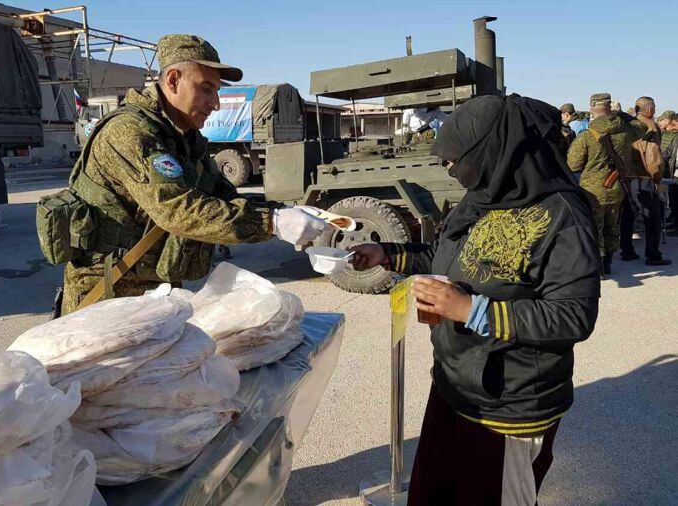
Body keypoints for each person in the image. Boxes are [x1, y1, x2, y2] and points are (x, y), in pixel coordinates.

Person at [350, 95, 600, 505]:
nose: (448, 168)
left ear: (493, 152)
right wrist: (390, 254)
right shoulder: (484, 195)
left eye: (455, 159)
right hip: (455, 388)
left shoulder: (563, 216)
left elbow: (574, 316)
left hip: (509, 409)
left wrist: (469, 309)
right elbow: (448, 258)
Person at [59, 34, 327, 314]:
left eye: (217, 91)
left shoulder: (184, 139)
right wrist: (271, 222)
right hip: (107, 296)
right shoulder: (129, 132)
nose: (216, 103)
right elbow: (177, 209)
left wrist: (285, 212)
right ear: (173, 80)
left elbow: (222, 194)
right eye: (207, 89)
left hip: (153, 293)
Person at [567, 93, 634, 275]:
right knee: (612, 226)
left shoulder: (588, 135)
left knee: (594, 227)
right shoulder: (626, 132)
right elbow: (640, 131)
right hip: (617, 187)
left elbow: (573, 164)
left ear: (591, 108)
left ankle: (598, 266)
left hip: (593, 191)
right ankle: (608, 264)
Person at [620, 97, 671, 265]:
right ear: (650, 109)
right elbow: (653, 156)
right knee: (652, 218)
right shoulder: (650, 126)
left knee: (628, 215)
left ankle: (627, 250)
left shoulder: (628, 124)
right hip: (645, 177)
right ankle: (653, 255)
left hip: (627, 177)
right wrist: (658, 179)